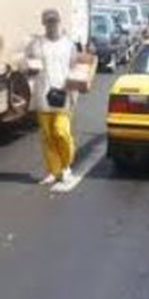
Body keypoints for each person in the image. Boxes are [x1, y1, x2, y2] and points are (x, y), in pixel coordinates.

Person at [26, 9, 77, 185]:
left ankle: (66, 166)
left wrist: (74, 89)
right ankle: (52, 171)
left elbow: (75, 68)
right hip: (42, 94)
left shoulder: (69, 45)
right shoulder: (36, 44)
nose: (51, 25)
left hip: (63, 96)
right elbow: (27, 64)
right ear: (43, 23)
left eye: (54, 21)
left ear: (59, 22)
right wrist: (28, 68)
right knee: (47, 136)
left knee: (61, 132)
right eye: (48, 22)